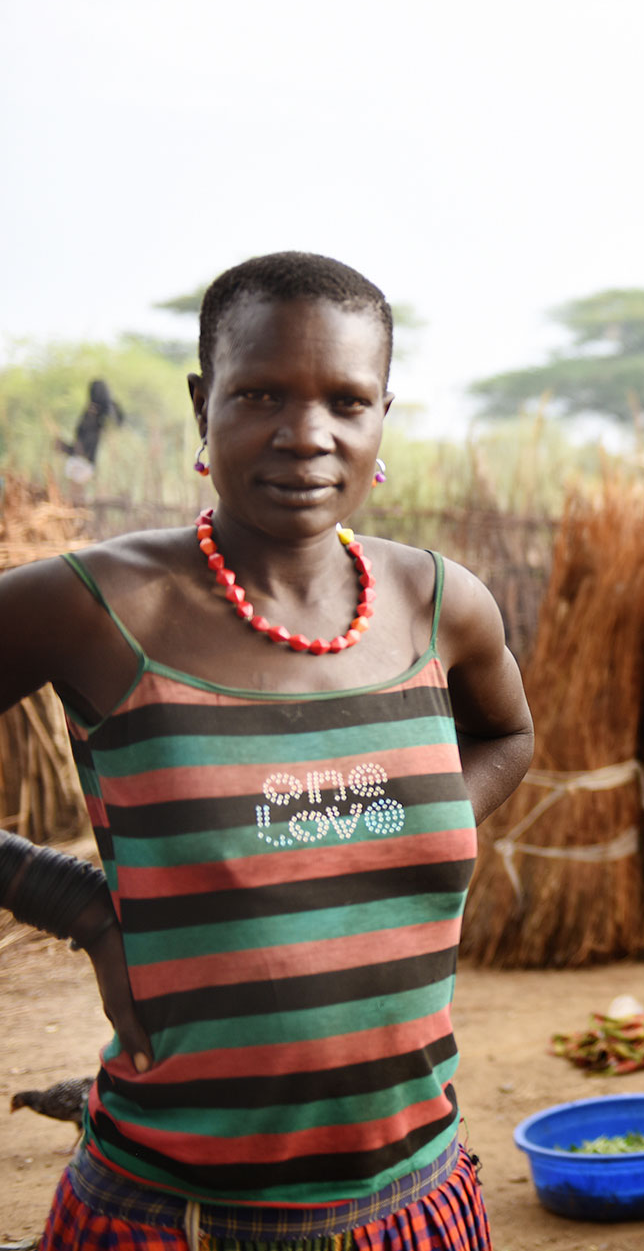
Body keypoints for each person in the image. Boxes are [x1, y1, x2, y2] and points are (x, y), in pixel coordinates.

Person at [0, 251, 534, 1249]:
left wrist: (406, 825)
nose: (307, 434)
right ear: (204, 404)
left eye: (346, 398)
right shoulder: (101, 606)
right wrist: (74, 903)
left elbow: (509, 734)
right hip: (181, 1216)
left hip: (414, 1202)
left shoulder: (435, 603)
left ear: (382, 418)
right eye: (260, 393)